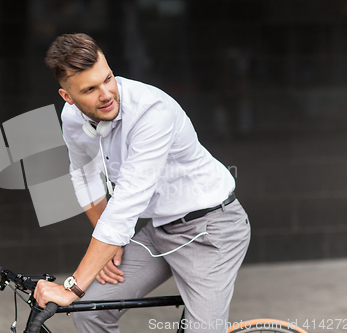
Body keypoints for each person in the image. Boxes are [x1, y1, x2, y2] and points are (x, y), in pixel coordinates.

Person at [34, 33, 251, 333]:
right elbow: (83, 174)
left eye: (108, 78)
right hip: (159, 232)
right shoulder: (72, 117)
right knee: (89, 313)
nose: (106, 94)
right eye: (90, 89)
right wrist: (109, 243)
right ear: (68, 97)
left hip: (211, 231)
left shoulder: (151, 113)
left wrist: (72, 287)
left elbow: (125, 206)